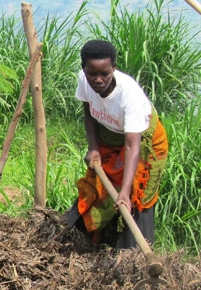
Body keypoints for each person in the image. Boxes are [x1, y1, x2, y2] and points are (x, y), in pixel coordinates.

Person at [66, 39, 169, 248]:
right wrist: (93, 147)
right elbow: (88, 112)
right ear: (83, 69)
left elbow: (132, 145)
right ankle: (92, 240)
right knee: (99, 186)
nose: (98, 80)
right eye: (92, 74)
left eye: (105, 74)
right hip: (110, 136)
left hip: (144, 142)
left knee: (138, 197)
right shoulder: (84, 80)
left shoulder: (128, 96)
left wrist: (125, 190)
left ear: (114, 68)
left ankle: (135, 255)